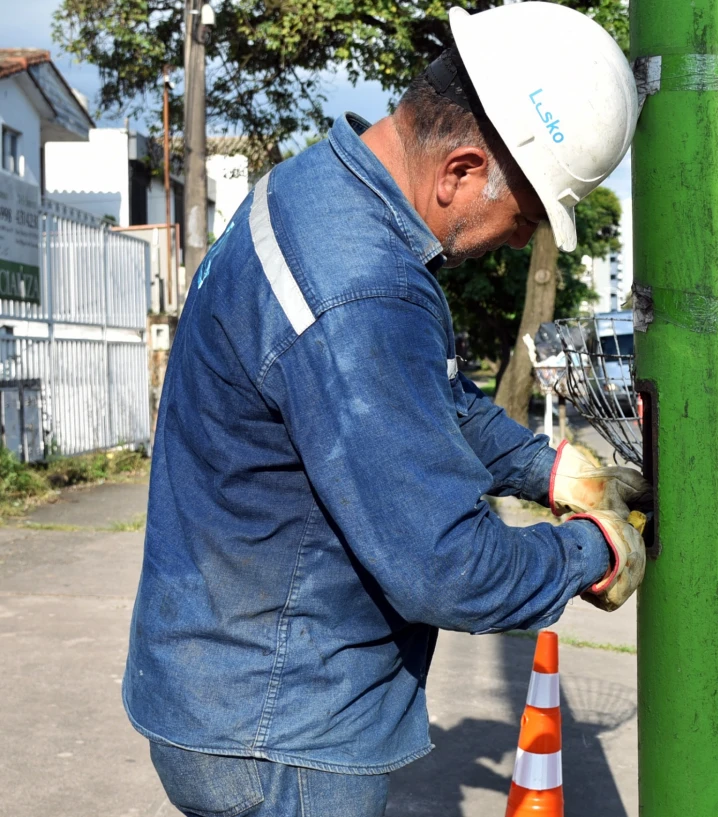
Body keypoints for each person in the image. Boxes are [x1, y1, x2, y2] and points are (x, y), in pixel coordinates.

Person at [123, 5, 647, 815]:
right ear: (463, 172)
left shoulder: (310, 195)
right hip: (281, 728)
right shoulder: (366, 288)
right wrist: (592, 552)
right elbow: (447, 566)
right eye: (527, 219)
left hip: (222, 681)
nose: (517, 244)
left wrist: (553, 469)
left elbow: (424, 395)